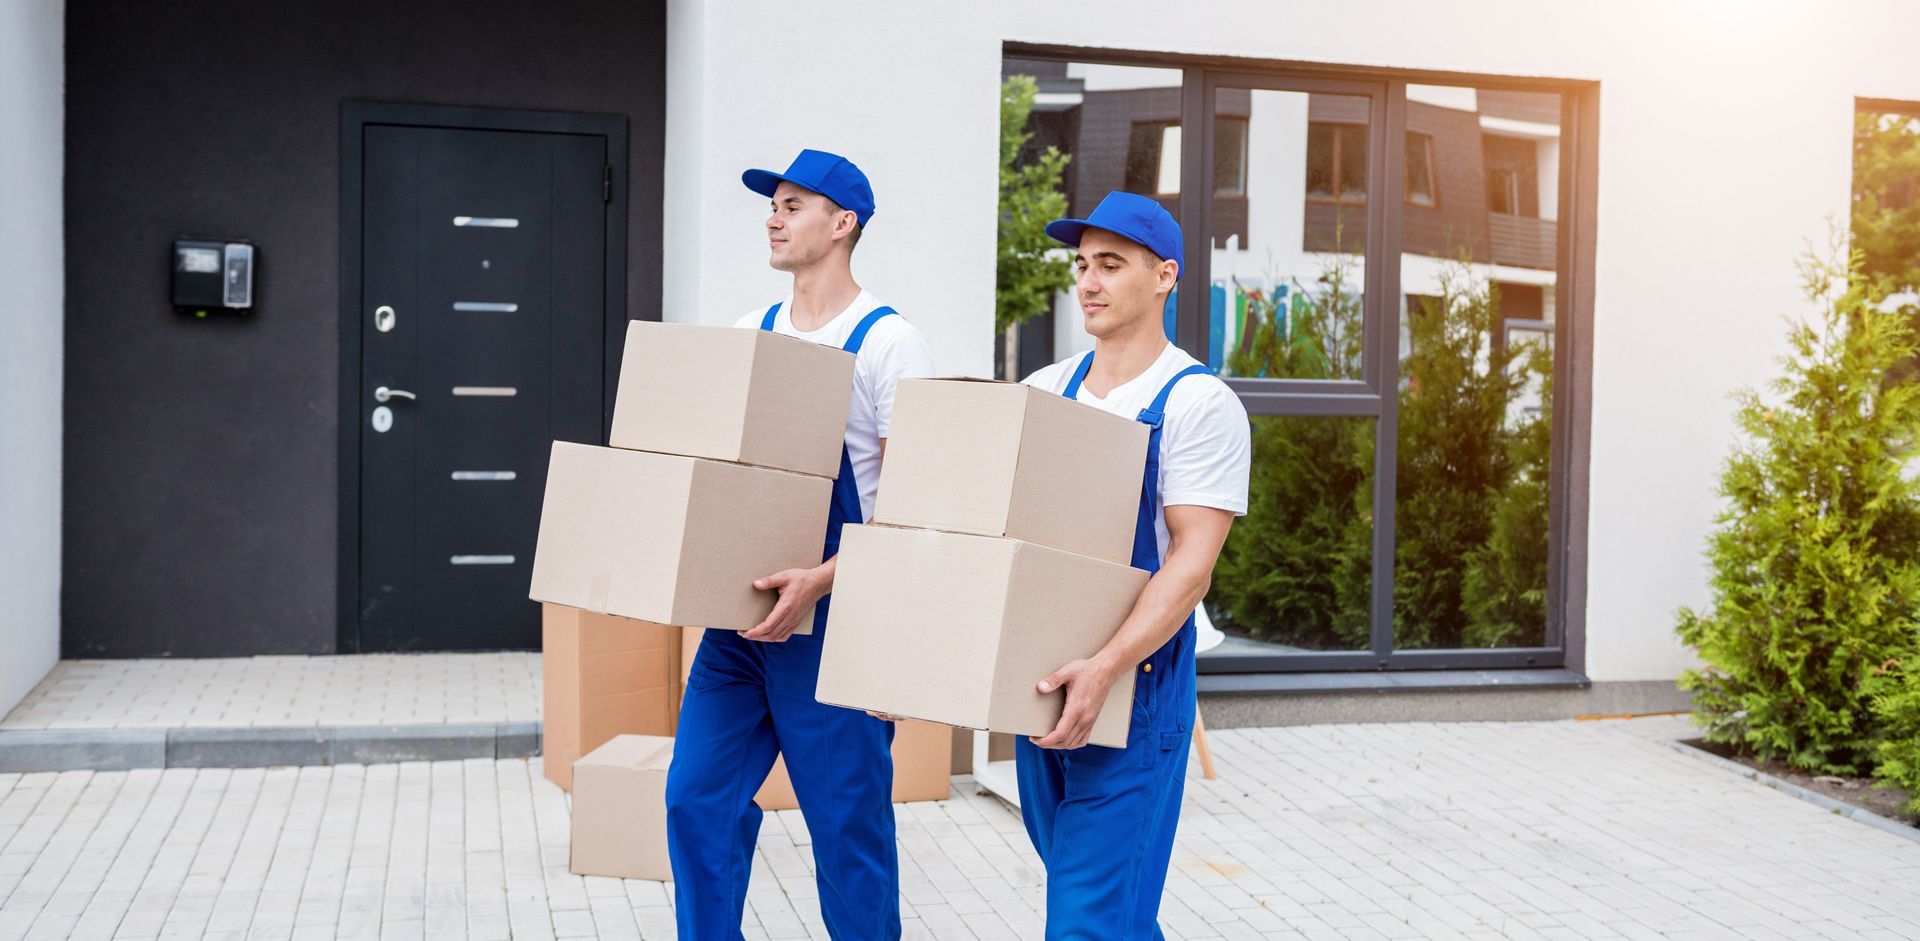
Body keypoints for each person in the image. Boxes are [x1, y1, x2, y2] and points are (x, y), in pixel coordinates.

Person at [664, 148, 932, 941]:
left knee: (847, 832)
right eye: (771, 205)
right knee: (695, 798)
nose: (773, 217)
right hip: (743, 623)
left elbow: (916, 509)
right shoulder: (757, 330)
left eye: (792, 204)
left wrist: (818, 581)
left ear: (842, 223)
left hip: (839, 624)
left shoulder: (890, 344)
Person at [1017, 190, 1252, 938]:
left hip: (1136, 685)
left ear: (1164, 277)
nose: (1087, 280)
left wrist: (1107, 665)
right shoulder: (1043, 391)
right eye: (1082, 263)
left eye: (1110, 264)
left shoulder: (1196, 403)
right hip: (1042, 676)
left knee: (1085, 918)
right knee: (1102, 906)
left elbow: (1192, 565)